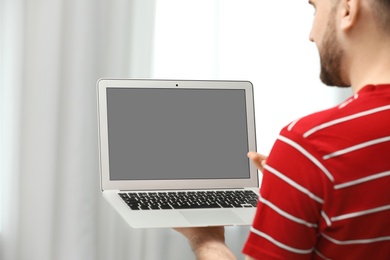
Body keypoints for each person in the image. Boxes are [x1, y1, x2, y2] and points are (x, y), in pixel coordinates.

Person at [174, 0, 390, 259]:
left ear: (347, 10)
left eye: (315, 9)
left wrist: (207, 239)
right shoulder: (310, 157)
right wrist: (297, 186)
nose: (311, 35)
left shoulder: (310, 144)